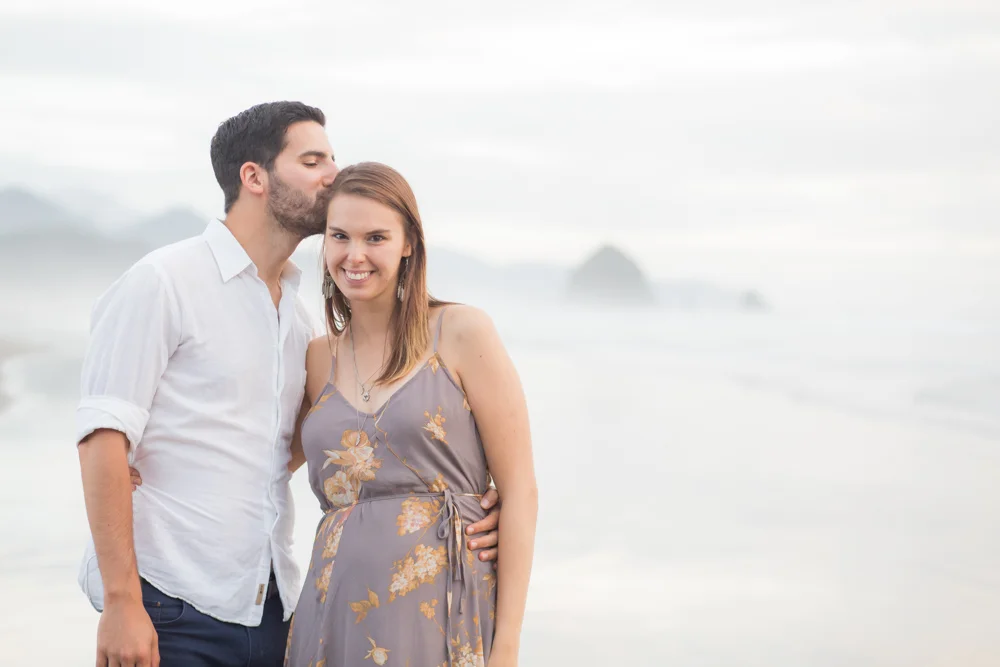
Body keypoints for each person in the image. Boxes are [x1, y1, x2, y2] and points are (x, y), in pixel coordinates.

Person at [75, 102, 502, 667]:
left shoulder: (298, 320)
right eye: (312, 159)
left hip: (271, 608)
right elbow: (102, 435)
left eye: (332, 158)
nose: (332, 173)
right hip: (169, 602)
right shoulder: (164, 282)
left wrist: (457, 498)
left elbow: (306, 443)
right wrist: (123, 601)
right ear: (254, 176)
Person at [283, 162, 537, 667]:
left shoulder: (461, 332)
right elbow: (258, 457)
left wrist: (506, 645)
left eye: (375, 237)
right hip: (332, 610)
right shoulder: (316, 358)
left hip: (443, 608)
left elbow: (521, 490)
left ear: (408, 244)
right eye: (340, 237)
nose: (354, 255)